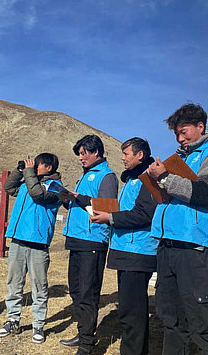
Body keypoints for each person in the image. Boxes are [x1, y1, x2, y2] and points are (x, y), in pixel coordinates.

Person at [146, 103, 208, 355]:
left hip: (196, 250)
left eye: (184, 131)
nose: (180, 138)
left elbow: (207, 193)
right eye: (176, 134)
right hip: (168, 248)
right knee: (172, 320)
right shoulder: (180, 159)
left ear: (200, 126)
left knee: (206, 324)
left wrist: (165, 178)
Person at [91, 137, 158, 355]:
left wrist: (110, 217)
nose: (122, 158)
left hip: (138, 251)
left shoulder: (149, 178)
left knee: (133, 313)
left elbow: (144, 214)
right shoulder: (131, 179)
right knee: (129, 310)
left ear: (140, 155)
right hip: (126, 249)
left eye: (126, 154)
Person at [60, 134, 119, 355]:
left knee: (87, 292)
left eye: (84, 153)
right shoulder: (85, 175)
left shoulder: (107, 176)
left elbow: (107, 208)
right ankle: (83, 332)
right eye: (79, 154)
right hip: (76, 238)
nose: (80, 157)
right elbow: (83, 206)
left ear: (96, 152)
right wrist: (67, 200)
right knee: (76, 290)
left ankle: (87, 344)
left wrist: (79, 197)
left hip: (92, 240)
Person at [0, 153, 62, 344]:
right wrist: (19, 171)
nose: (32, 167)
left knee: (39, 286)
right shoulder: (28, 182)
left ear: (48, 167)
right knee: (14, 283)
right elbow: (9, 187)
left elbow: (38, 194)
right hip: (18, 240)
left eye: (36, 165)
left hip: (38, 243)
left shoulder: (56, 187)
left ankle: (38, 324)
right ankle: (12, 320)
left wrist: (29, 173)